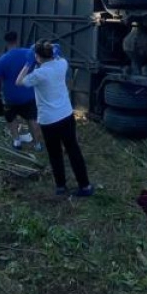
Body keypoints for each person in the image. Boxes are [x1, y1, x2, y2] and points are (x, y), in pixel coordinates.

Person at [17, 40, 93, 197]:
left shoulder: (38, 74)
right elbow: (61, 58)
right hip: (66, 115)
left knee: (55, 153)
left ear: (37, 56)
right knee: (73, 150)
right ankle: (85, 186)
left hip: (48, 120)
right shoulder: (62, 64)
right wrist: (56, 54)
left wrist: (27, 64)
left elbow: (19, 82)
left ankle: (60, 187)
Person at [0, 31, 43, 151]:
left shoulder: (3, 59)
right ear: (17, 40)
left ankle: (16, 142)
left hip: (10, 98)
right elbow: (40, 65)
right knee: (32, 119)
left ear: (6, 43)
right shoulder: (28, 53)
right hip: (28, 96)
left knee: (11, 118)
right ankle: (37, 144)